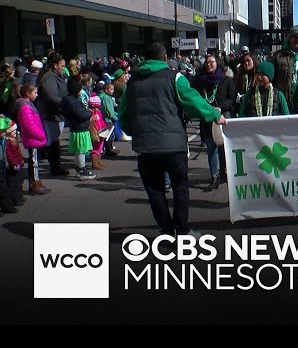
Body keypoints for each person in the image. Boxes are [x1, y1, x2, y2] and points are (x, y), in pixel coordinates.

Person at [119, 42, 226, 238]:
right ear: (165, 58)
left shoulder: (132, 82)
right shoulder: (174, 77)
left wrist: (134, 131)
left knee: (155, 192)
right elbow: (192, 100)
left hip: (146, 147)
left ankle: (167, 232)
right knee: (180, 188)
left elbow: (124, 114)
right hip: (173, 146)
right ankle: (182, 231)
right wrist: (213, 115)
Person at [191, 54, 235, 190]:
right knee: (211, 148)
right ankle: (214, 176)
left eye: (212, 62)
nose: (209, 64)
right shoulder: (199, 81)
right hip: (207, 120)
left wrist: (221, 107)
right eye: (207, 63)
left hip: (222, 119)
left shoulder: (226, 80)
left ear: (218, 63)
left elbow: (231, 99)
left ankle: (224, 172)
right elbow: (196, 99)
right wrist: (207, 109)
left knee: (223, 149)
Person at [36, 51, 69, 176]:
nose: (63, 68)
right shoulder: (50, 77)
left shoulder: (54, 75)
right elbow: (51, 96)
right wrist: (66, 104)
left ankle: (56, 165)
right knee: (53, 140)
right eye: (62, 66)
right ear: (55, 65)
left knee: (55, 140)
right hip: (52, 114)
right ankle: (55, 167)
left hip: (56, 113)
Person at [14, 84, 50, 194]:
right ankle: (34, 183)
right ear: (28, 94)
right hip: (33, 138)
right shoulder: (25, 107)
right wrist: (41, 135)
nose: (37, 95)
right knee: (34, 162)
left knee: (35, 161)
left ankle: (35, 181)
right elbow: (29, 126)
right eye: (35, 93)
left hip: (34, 138)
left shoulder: (28, 105)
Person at [60, 79, 97, 181]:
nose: (81, 91)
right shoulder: (73, 102)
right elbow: (81, 114)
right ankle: (82, 170)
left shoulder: (69, 101)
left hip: (76, 128)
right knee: (82, 151)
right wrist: (89, 113)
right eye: (80, 90)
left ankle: (79, 168)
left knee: (79, 151)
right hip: (80, 128)